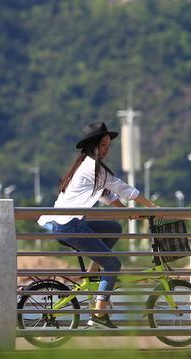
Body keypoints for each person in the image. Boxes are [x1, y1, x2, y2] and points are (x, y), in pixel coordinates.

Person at [37, 121, 158, 327]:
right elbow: (124, 189)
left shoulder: (86, 166)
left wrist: (127, 214)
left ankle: (94, 276)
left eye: (108, 145)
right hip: (70, 226)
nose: (106, 149)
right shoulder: (92, 167)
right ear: (93, 145)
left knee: (113, 229)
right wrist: (153, 207)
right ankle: (98, 314)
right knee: (113, 264)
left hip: (66, 224)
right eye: (103, 145)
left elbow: (107, 194)